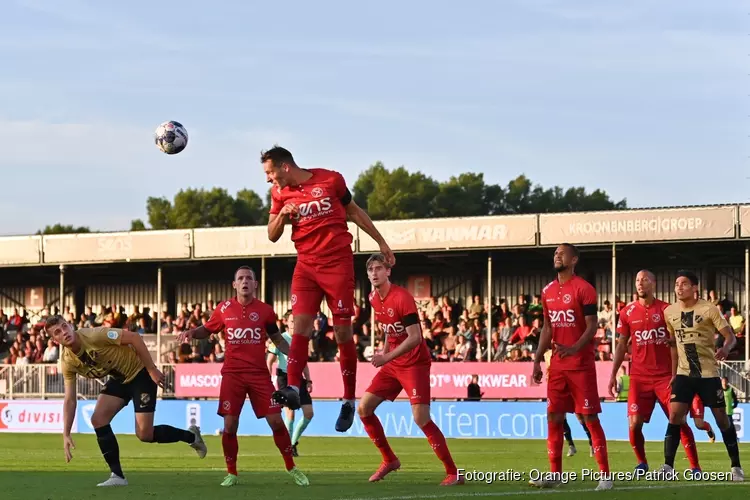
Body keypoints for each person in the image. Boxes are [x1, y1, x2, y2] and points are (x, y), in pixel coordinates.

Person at [262, 146, 394, 432]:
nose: (268, 179)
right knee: (300, 328)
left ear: (285, 167)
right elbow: (272, 235)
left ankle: (347, 399)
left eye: (270, 172)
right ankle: (294, 387)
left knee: (344, 332)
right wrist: (282, 215)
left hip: (337, 265)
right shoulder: (279, 194)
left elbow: (355, 212)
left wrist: (381, 243)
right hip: (306, 267)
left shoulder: (331, 180)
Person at [179, 266, 309, 487]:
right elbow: (208, 329)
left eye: (249, 278)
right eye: (241, 278)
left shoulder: (266, 311)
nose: (245, 281)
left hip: (259, 375)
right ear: (235, 284)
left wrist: (296, 355)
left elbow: (277, 339)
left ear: (255, 284)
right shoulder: (224, 309)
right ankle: (232, 473)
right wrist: (192, 332)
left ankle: (291, 467)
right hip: (232, 375)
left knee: (276, 421)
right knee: (230, 425)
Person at [47, 316, 207, 487]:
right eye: (57, 332)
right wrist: (66, 433)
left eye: (64, 326)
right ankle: (117, 476)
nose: (64, 332)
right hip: (120, 379)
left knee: (144, 434)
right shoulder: (67, 362)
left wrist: (151, 369)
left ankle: (191, 436)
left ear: (70, 325)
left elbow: (134, 337)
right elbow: (70, 399)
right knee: (98, 420)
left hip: (141, 373)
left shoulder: (94, 335)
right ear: (54, 340)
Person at [358, 253, 462, 486]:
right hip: (393, 363)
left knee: (420, 417)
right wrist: (384, 352)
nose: (374, 273)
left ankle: (453, 472)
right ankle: (390, 460)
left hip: (414, 362)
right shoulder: (374, 298)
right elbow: (388, 328)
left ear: (388, 272)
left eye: (378, 268)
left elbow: (415, 337)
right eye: (370, 270)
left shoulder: (402, 297)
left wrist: (386, 357)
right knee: (364, 408)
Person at [531, 243, 612, 490]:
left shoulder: (584, 289)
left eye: (562, 252)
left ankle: (605, 476)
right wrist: (537, 359)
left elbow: (592, 325)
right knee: (554, 416)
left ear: (574, 260)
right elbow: (547, 327)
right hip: (557, 365)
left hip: (581, 365)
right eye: (555, 252)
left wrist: (576, 347)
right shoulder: (547, 291)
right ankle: (555, 475)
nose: (557, 255)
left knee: (589, 417)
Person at [608, 270, 700, 472]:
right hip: (639, 378)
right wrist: (613, 374)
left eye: (645, 280)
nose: (640, 283)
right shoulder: (627, 313)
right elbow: (622, 345)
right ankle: (642, 462)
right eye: (637, 280)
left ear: (654, 284)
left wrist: (680, 373)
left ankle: (694, 466)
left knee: (679, 420)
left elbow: (679, 342)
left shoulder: (667, 310)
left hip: (666, 376)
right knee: (634, 424)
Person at [658, 270, 744, 481]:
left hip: (707, 374)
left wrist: (725, 348)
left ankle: (736, 467)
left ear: (695, 288)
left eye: (684, 283)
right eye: (677, 283)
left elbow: (730, 337)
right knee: (675, 416)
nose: (679, 287)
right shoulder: (670, 312)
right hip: (684, 374)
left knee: (722, 419)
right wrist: (673, 371)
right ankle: (668, 466)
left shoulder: (709, 309)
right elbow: (675, 342)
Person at [267, 312, 314, 456]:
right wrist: (268, 380)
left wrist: (308, 379)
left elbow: (303, 362)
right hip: (284, 377)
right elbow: (269, 361)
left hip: (298, 377)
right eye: (292, 321)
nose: (295, 324)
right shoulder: (280, 339)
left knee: (309, 414)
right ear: (287, 322)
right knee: (290, 414)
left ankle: (293, 442)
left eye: (296, 321)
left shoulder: (301, 340)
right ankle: (288, 447)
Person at [546, 348, 593, 458]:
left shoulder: (565, 349)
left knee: (581, 417)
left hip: (571, 385)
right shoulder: (547, 354)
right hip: (557, 387)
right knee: (559, 417)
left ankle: (591, 443)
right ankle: (571, 446)